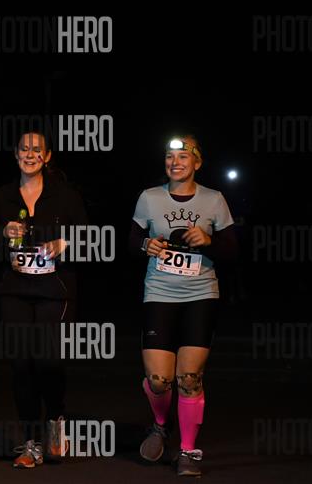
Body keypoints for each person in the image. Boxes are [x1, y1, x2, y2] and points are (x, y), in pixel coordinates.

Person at [130, 135, 237, 476]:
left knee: (189, 378)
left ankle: (189, 451)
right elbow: (132, 239)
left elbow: (232, 249)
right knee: (159, 380)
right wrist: (145, 245)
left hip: (200, 295)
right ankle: (161, 424)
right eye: (169, 156)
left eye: (183, 157)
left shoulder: (214, 199)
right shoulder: (149, 198)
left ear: (197, 163)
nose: (175, 162)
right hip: (159, 294)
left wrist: (209, 240)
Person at [0, 131, 88, 468]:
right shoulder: (1, 196)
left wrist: (63, 244)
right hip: (14, 290)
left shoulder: (66, 195)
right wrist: (2, 235)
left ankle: (56, 419)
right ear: (16, 154)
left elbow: (90, 238)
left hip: (54, 291)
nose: (29, 155)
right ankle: (31, 444)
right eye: (24, 149)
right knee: (21, 365)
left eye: (36, 150)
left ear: (47, 156)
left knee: (48, 361)